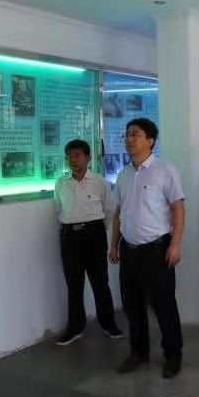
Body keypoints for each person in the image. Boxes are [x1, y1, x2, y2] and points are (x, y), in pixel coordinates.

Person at [108, 118, 186, 379]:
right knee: (133, 307)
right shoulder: (123, 174)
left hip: (157, 250)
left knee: (164, 306)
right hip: (129, 251)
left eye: (136, 134)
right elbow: (119, 212)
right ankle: (138, 353)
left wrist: (175, 244)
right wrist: (114, 244)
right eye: (127, 134)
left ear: (150, 140)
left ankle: (172, 355)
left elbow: (178, 208)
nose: (129, 139)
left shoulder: (164, 170)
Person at [53, 139, 122, 345]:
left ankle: (108, 324)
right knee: (73, 284)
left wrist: (97, 230)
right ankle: (75, 327)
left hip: (94, 235)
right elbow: (59, 208)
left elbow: (109, 210)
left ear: (88, 158)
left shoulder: (99, 181)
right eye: (69, 156)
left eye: (77, 155)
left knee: (100, 283)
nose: (73, 160)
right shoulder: (61, 183)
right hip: (69, 238)